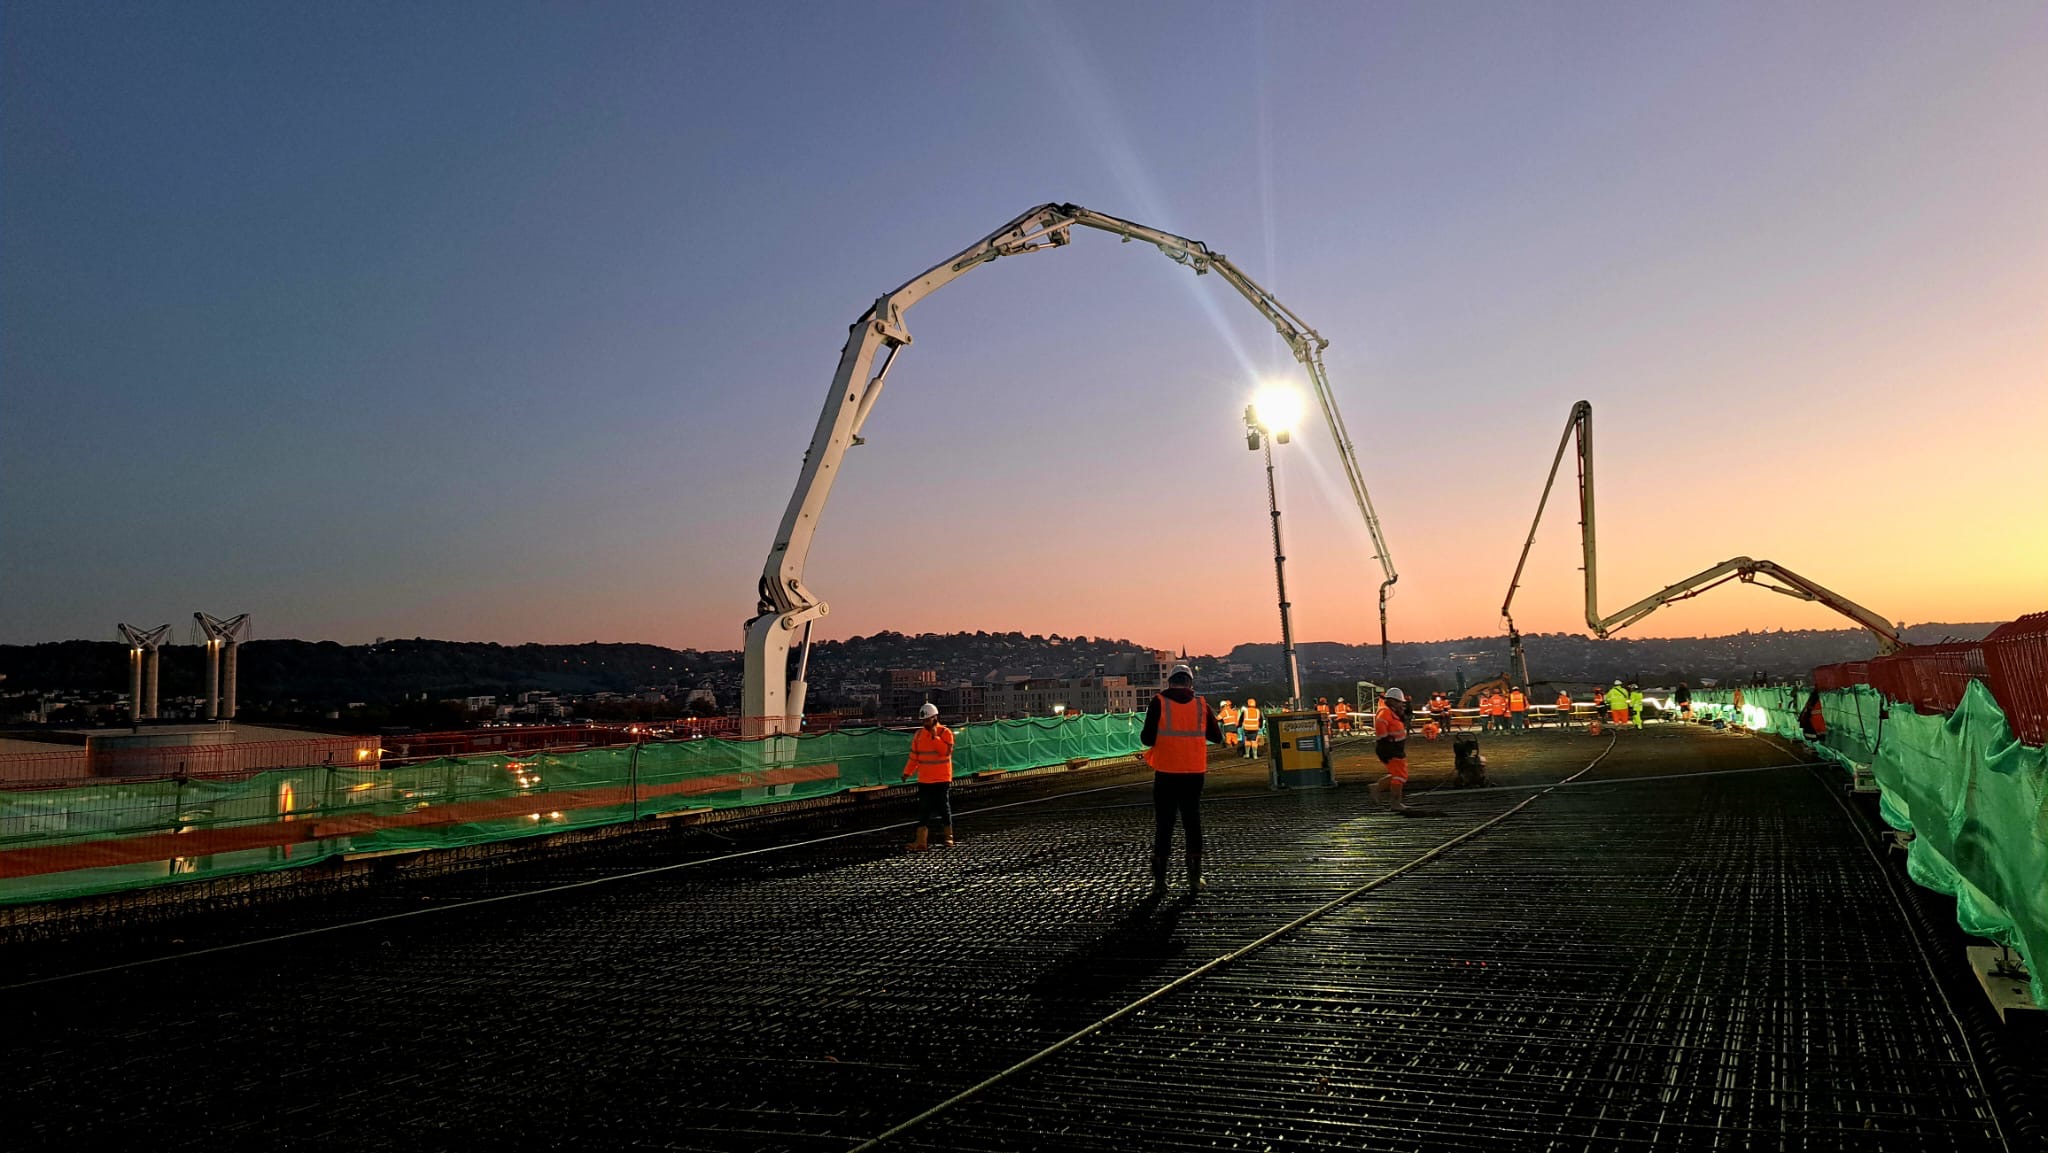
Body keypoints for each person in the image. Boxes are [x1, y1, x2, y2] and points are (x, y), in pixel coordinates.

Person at [1141, 664, 1223, 897]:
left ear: (1169, 682)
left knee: (1164, 825)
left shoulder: (1159, 702)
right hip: (1194, 773)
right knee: (1192, 823)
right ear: (1190, 684)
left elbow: (1147, 739)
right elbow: (1216, 737)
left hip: (1166, 772)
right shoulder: (1201, 705)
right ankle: (1195, 878)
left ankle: (1160, 882)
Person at [900, 702, 956, 851]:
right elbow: (914, 757)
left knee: (943, 807)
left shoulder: (945, 733)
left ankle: (948, 837)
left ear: (935, 718)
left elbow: (946, 752)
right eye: (923, 721)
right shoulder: (918, 735)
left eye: (928, 720)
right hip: (925, 779)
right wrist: (907, 772)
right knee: (923, 809)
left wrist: (934, 738)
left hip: (942, 778)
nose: (925, 723)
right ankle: (921, 842)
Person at [1370, 687, 1412, 811]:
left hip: (1395, 748)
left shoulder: (1391, 711)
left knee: (1398, 774)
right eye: (1400, 702)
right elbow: (1381, 729)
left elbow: (1401, 721)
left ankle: (1376, 787)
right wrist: (1386, 744)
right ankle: (1395, 803)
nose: (1401, 705)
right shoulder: (1385, 712)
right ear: (1392, 701)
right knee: (1399, 776)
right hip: (1390, 748)